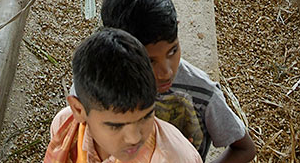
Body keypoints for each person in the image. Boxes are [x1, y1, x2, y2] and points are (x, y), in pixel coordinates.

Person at [100, 0, 257, 163]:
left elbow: (245, 149)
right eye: (150, 61)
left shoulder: (201, 92)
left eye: (172, 51)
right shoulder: (99, 85)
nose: (166, 72)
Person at [44, 28, 202, 163]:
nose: (134, 138)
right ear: (78, 110)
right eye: (116, 126)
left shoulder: (176, 158)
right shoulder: (63, 126)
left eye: (146, 117)